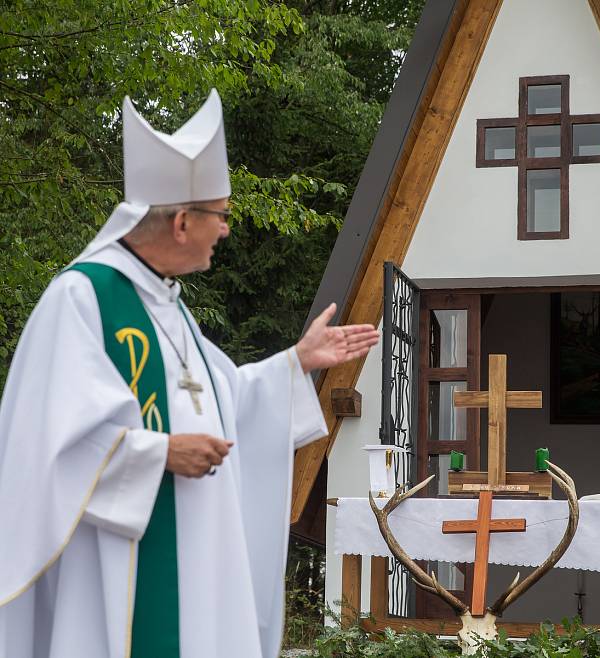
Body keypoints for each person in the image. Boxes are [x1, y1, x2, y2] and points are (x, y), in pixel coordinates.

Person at [0, 89, 379, 658]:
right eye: (220, 215)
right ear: (181, 221)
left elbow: (221, 397)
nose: (225, 230)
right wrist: (158, 454)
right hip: (122, 564)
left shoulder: (169, 305)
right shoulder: (82, 299)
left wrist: (293, 363)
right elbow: (43, 444)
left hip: (198, 558)